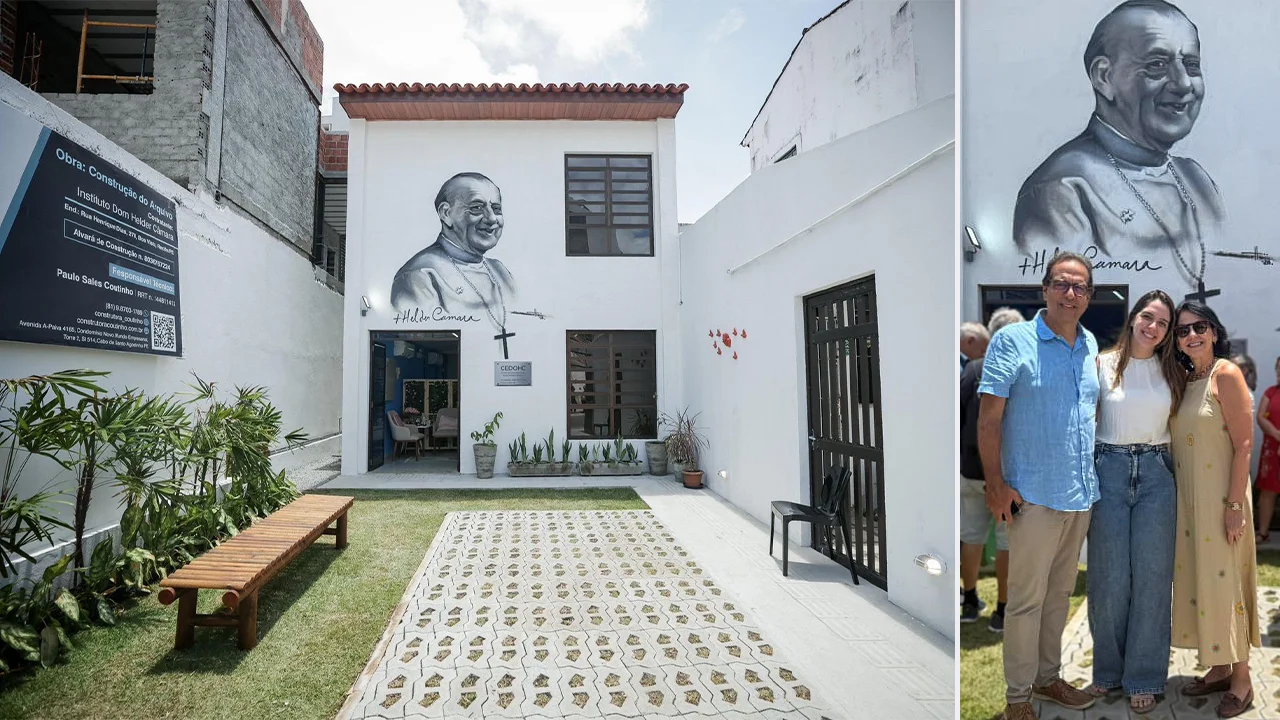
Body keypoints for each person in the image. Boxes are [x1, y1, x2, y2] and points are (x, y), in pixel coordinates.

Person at [1012, 0, 1224, 291]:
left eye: (1191, 65)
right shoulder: (1063, 189)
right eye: (1157, 65)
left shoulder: (1197, 180)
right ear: (1104, 77)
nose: (1184, 83)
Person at [979, 252, 1101, 720]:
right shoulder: (1013, 340)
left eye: (1081, 287)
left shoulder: (1091, 346)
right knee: (1026, 602)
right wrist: (995, 484)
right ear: (1044, 289)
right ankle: (1017, 699)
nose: (1071, 294)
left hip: (1080, 494)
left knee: (1059, 596)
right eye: (1062, 284)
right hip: (1030, 495)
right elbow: (989, 420)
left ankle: (1048, 679)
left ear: (1089, 296)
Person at [1083, 289, 1180, 714]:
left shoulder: (1173, 369)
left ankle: (1144, 675)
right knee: (1108, 579)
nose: (1152, 326)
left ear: (1168, 331)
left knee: (1153, 579)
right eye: (1147, 316)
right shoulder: (1101, 363)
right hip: (1109, 468)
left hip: (1158, 471)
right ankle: (1107, 670)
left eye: (1162, 322)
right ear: (1133, 317)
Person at [1170, 302, 1260, 719]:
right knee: (1203, 584)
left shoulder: (1225, 373)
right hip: (1191, 506)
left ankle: (1241, 680)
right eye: (1183, 330)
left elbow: (1244, 444)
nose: (1191, 335)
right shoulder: (1189, 379)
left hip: (1222, 501)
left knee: (1226, 585)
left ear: (1214, 330)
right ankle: (1220, 666)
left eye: (1199, 327)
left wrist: (1234, 506)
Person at [960, 308, 1025, 631]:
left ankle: (969, 601)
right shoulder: (1020, 369)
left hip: (970, 470)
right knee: (1005, 541)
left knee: (970, 537)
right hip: (1003, 472)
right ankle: (1002, 610)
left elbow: (958, 418)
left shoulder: (971, 369)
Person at [391, 172, 518, 320]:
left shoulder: (501, 271)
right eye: (476, 207)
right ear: (446, 213)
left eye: (496, 209)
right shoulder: (420, 275)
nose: (491, 218)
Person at [1256, 357, 1280, 544]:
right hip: (1272, 450)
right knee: (1267, 492)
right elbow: (1261, 418)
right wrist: (1278, 436)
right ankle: (1263, 532)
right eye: (1278, 369)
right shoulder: (1270, 392)